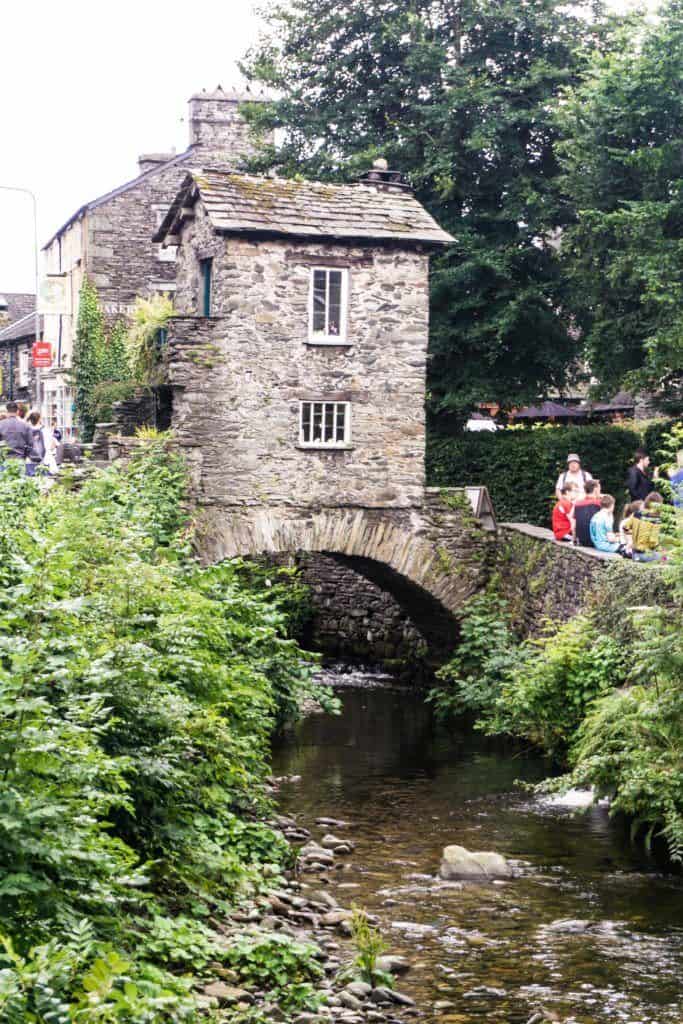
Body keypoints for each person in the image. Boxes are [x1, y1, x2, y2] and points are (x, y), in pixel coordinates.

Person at [621, 491, 666, 562]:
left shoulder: (636, 514)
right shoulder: (655, 520)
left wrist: (636, 533)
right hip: (644, 555)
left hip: (634, 554)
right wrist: (662, 550)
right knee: (667, 558)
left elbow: (625, 528)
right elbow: (653, 541)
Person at [572, 479, 602, 547]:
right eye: (599, 488)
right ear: (595, 489)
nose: (600, 491)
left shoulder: (577, 504)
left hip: (582, 540)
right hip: (595, 541)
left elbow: (573, 525)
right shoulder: (599, 503)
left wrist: (574, 540)